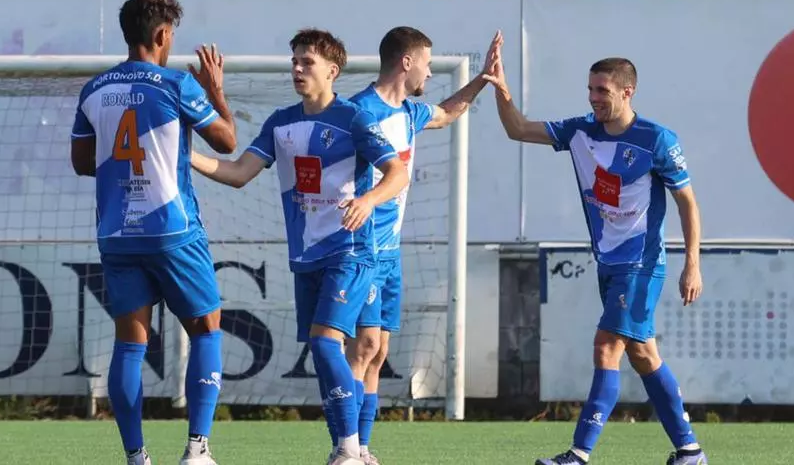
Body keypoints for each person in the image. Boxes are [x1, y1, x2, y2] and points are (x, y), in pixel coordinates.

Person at [481, 35, 709, 465]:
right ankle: (690, 450)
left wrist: (692, 264)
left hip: (641, 264)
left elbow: (688, 203)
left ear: (627, 91)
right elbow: (517, 129)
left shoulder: (656, 139)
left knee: (607, 347)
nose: (593, 98)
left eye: (602, 90)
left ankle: (579, 453)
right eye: (590, 89)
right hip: (608, 263)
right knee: (643, 356)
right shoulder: (580, 131)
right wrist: (501, 88)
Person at [189, 28, 409, 465]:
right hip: (305, 258)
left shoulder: (354, 118)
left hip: (350, 252)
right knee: (325, 352)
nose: (297, 68)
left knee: (328, 344)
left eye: (307, 62)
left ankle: (350, 449)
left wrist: (367, 201)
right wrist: (184, 155)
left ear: (332, 70)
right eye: (294, 61)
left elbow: (397, 174)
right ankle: (348, 448)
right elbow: (238, 173)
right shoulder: (280, 122)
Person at [69, 0, 236, 465]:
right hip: (172, 229)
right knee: (206, 329)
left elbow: (81, 162)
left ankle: (136, 457)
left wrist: (124, 164)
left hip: (117, 233)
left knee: (130, 342)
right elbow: (227, 142)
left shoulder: (94, 90)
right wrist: (215, 90)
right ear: (162, 35)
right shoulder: (177, 84)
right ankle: (197, 450)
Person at [322, 26, 500, 465]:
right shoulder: (359, 111)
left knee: (379, 351)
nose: (430, 71)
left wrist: (482, 80)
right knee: (363, 347)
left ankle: (362, 448)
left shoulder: (409, 112)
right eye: (426, 62)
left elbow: (447, 113)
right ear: (407, 62)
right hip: (363, 249)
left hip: (391, 253)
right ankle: (344, 446)